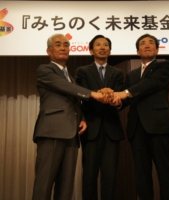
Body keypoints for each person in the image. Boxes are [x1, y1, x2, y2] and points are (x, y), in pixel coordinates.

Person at [32, 33, 107, 200]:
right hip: (51, 132)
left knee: (66, 187)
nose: (63, 47)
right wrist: (93, 94)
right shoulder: (45, 70)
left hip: (72, 134)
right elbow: (64, 87)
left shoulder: (71, 78)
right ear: (49, 51)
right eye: (58, 44)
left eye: (66, 45)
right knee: (44, 184)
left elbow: (73, 101)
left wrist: (83, 119)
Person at [113, 34, 169, 200]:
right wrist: (116, 102)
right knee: (141, 175)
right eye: (143, 43)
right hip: (136, 128)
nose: (147, 45)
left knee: (165, 173)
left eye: (151, 43)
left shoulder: (164, 66)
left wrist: (125, 93)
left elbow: (151, 83)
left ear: (157, 49)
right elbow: (126, 100)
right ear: (137, 51)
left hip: (159, 126)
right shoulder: (132, 74)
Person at [75, 35, 125, 200]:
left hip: (112, 129)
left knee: (110, 176)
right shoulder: (82, 71)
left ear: (110, 51)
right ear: (91, 50)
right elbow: (81, 95)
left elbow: (120, 98)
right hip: (91, 127)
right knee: (89, 175)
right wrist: (102, 92)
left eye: (106, 45)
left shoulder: (118, 73)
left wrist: (113, 98)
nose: (102, 47)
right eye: (98, 45)